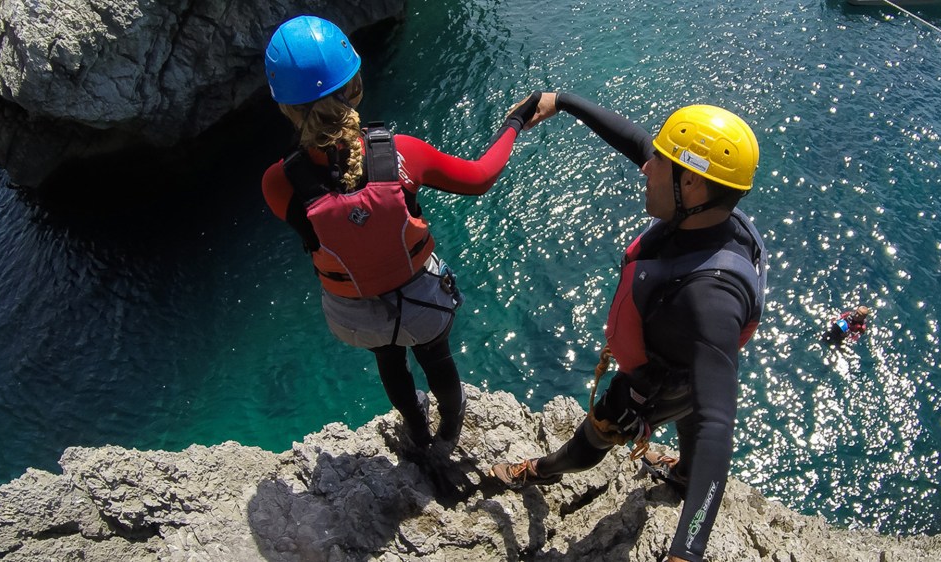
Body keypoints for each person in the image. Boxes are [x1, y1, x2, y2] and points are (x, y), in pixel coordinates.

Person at [489, 93, 767, 562]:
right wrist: (563, 102)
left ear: (692, 185)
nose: (646, 166)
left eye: (659, 161)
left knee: (596, 435)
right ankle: (682, 476)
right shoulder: (712, 215)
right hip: (691, 370)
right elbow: (635, 141)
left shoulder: (711, 297)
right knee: (691, 418)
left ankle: (542, 470)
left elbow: (719, 426)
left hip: (655, 388)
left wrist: (687, 551)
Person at [261, 15, 540, 448]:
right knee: (437, 358)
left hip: (355, 316)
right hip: (422, 304)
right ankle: (449, 432)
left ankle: (416, 432)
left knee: (388, 360)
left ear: (285, 107)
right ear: (355, 86)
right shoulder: (401, 153)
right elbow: (482, 177)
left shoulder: (277, 183)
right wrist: (515, 122)